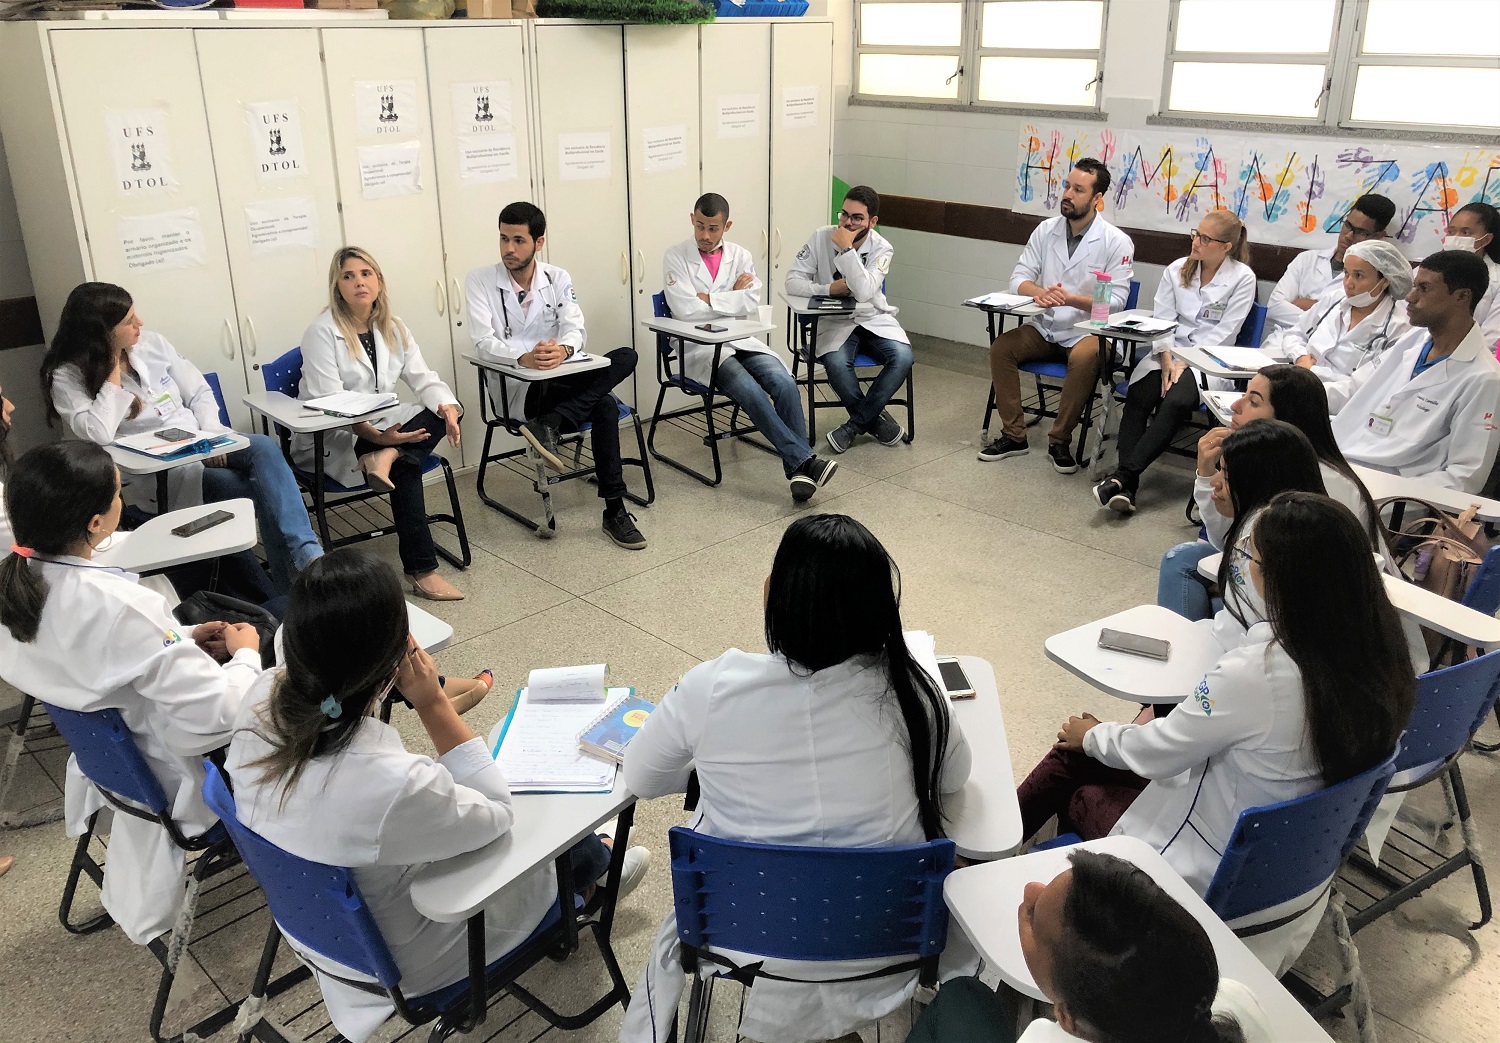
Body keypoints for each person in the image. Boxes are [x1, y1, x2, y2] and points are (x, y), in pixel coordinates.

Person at [224, 548, 649, 1043]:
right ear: (395, 664)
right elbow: (496, 813)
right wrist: (431, 703)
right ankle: (590, 881)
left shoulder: (260, 698)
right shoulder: (388, 784)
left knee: (473, 816)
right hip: (417, 962)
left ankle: (592, 860)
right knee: (536, 818)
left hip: (320, 933)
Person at [619, 514, 973, 1043]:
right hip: (885, 946)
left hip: (743, 945)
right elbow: (956, 777)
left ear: (778, 597)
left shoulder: (713, 687)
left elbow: (643, 777)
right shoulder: (913, 693)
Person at [1017, 492, 1415, 906]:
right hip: (1289, 866)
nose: (1241, 565)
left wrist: (1095, 735)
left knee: (1076, 761)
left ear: (1285, 578)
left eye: (1250, 557)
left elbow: (1163, 753)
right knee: (1104, 745)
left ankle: (1008, 873)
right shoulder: (1382, 652)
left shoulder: (1258, 672)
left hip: (1201, 874)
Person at [0, 441, 264, 943]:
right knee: (290, 684)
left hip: (115, 770)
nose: (122, 501)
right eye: (118, 493)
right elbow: (223, 712)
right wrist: (247, 653)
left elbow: (97, 657)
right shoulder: (118, 604)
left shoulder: (20, 587)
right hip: (177, 776)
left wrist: (181, 640)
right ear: (96, 523)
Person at [42, 282, 323, 596]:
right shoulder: (67, 376)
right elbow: (98, 432)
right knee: (261, 491)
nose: (140, 324)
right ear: (102, 333)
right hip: (162, 477)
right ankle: (293, 590)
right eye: (128, 321)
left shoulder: (153, 344)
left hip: (202, 442)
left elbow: (199, 392)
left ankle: (303, 554)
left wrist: (212, 435)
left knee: (264, 448)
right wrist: (112, 371)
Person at [904, 849, 1271, 1043]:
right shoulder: (1237, 1002)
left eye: (1034, 920)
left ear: (1067, 1019)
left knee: (963, 998)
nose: (1031, 889)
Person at [465, 201, 647, 550]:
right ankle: (614, 508)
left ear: (539, 241)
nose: (508, 249)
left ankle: (549, 425)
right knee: (604, 405)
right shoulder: (480, 281)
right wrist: (524, 357)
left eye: (518, 240)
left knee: (626, 356)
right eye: (503, 239)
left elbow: (575, 328)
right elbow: (482, 342)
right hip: (521, 387)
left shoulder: (557, 277)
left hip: (562, 376)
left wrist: (562, 350)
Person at [300, 247, 466, 601]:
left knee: (448, 406)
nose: (359, 282)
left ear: (379, 281)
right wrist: (375, 436)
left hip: (384, 426)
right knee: (409, 466)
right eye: (348, 276)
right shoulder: (321, 332)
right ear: (337, 287)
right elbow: (331, 403)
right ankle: (422, 569)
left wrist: (447, 408)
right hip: (338, 437)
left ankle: (388, 455)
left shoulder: (393, 326)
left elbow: (424, 378)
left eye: (366, 273)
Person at [1160, 369, 1384, 619]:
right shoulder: (1269, 460)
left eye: (1253, 402)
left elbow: (1303, 586)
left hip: (1312, 609)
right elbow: (1226, 537)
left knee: (1214, 610)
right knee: (1181, 559)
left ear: (1287, 418)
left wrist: (1230, 583)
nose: (1235, 405)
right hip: (1270, 579)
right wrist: (1205, 475)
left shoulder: (1331, 488)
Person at [662, 193, 838, 502]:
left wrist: (708, 298)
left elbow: (750, 300)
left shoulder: (740, 255)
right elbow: (685, 310)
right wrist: (729, 297)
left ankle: (799, 468)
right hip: (700, 348)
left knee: (784, 383)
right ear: (692, 219)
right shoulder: (675, 256)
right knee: (750, 390)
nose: (704, 235)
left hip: (739, 337)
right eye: (700, 226)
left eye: (713, 228)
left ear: (726, 225)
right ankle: (805, 461)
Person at [1092, 212, 1257, 514]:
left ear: (1226, 246)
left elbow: (1226, 332)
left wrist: (1186, 362)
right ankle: (1126, 489)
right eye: (1196, 234)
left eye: (1205, 238)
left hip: (1210, 361)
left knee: (1177, 402)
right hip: (1168, 353)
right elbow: (1164, 320)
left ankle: (1124, 477)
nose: (1196, 241)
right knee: (1139, 397)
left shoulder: (1242, 277)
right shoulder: (1176, 270)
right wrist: (1168, 357)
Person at [978, 158, 1135, 473]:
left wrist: (1072, 299)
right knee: (1002, 348)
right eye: (1067, 186)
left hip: (1090, 331)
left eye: (1078, 189)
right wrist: (1037, 292)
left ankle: (1059, 440)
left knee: (1085, 358)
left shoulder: (1115, 242)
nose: (1068, 194)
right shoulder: (1045, 230)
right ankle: (1014, 435)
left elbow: (1114, 302)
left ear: (1097, 199)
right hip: (1046, 327)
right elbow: (1018, 279)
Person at [1331, 250, 1500, 492]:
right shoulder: (1414, 340)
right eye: (1413, 286)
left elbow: (1464, 477)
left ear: (1462, 296)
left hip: (1393, 498)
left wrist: (1388, 492)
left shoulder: (1484, 378)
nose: (1410, 297)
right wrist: (1289, 390)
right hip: (1348, 464)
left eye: (1424, 288)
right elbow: (1353, 389)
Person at [785, 186, 913, 453]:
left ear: (872, 222)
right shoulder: (820, 237)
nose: (848, 222)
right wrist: (827, 289)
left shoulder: (882, 248)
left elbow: (865, 291)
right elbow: (792, 281)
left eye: (857, 217)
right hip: (834, 321)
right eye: (845, 214)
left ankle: (853, 427)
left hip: (873, 318)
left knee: (902, 357)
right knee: (836, 362)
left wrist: (846, 250)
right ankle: (875, 422)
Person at [1280, 238, 1413, 410]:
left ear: (1385, 280)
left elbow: (1363, 387)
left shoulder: (1398, 328)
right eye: (1346, 273)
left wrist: (1312, 373)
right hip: (1298, 384)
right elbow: (1294, 334)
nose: (1348, 283)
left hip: (1335, 407)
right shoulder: (1335, 300)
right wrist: (1301, 357)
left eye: (1358, 275)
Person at [1266, 193, 1395, 331]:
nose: (1348, 235)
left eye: (1361, 232)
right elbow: (1273, 308)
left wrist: (1303, 304)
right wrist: (1325, 317)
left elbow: (1348, 326)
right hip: (1278, 342)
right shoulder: (1306, 260)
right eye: (1348, 225)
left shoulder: (1373, 281)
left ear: (1378, 237)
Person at [1442, 201, 1500, 349]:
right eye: (1451, 231)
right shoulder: (1426, 271)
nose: (1455, 237)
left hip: (1472, 360)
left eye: (1465, 232)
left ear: (1486, 239)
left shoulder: (1497, 280)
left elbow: (1492, 339)